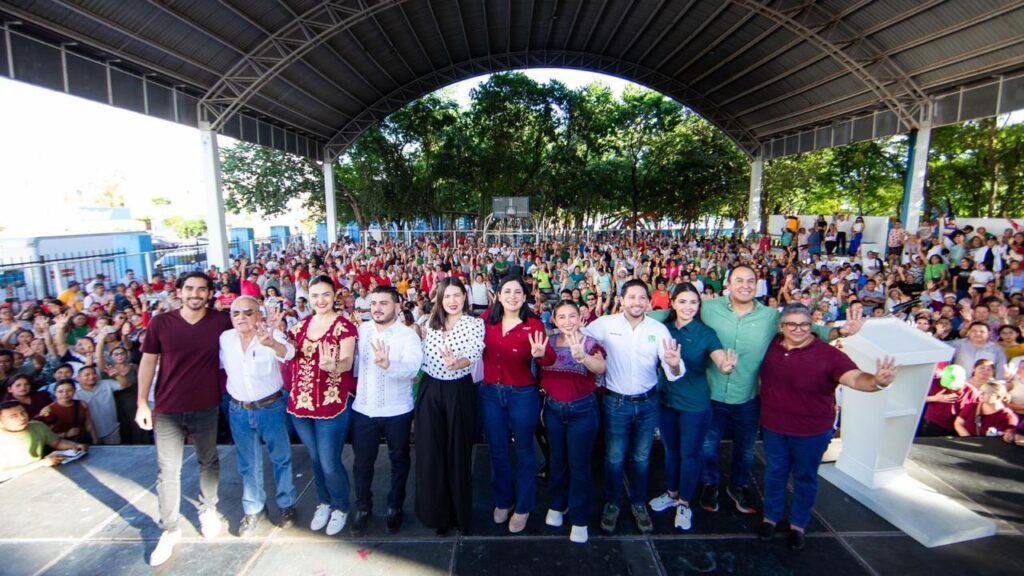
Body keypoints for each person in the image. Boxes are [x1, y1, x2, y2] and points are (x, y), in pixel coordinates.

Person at [697, 265, 862, 517]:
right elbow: (674, 312)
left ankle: (738, 486)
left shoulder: (770, 316)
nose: (745, 285)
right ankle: (710, 483)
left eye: (750, 281)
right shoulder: (708, 308)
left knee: (746, 449)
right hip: (711, 393)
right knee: (708, 446)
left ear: (757, 284)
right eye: (739, 280)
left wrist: (839, 331)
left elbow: (805, 328)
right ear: (727, 283)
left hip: (748, 396)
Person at [757, 303, 897, 550]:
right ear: (781, 327)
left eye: (804, 324)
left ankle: (798, 524)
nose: (798, 329)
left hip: (811, 432)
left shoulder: (828, 354)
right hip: (774, 427)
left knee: (805, 477)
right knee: (775, 473)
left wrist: (877, 381)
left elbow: (853, 377)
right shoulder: (770, 345)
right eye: (792, 324)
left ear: (812, 326)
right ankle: (771, 517)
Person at [135, 272, 233, 567]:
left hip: (206, 405)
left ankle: (208, 510)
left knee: (209, 461)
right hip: (167, 408)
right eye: (189, 288)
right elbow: (148, 362)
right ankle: (170, 528)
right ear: (178, 292)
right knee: (168, 470)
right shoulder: (161, 324)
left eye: (201, 289)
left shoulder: (221, 322)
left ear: (209, 294)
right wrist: (142, 402)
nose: (195, 293)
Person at [584, 278, 685, 534]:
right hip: (616, 403)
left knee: (641, 458)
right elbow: (579, 335)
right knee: (614, 458)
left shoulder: (658, 329)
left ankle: (639, 503)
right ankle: (612, 503)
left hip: (649, 403)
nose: (637, 302)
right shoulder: (606, 325)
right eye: (631, 297)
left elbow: (674, 369)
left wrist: (673, 363)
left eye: (642, 298)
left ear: (649, 302)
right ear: (621, 300)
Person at [648, 284, 737, 532]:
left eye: (693, 303)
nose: (688, 307)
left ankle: (684, 502)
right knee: (671, 450)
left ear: (699, 306)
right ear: (673, 303)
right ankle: (672, 491)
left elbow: (719, 359)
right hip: (666, 400)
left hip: (694, 404)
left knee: (690, 454)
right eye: (683, 301)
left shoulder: (705, 333)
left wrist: (726, 366)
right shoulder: (662, 329)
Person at [283, 275, 358, 537]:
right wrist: (271, 340)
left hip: (332, 404)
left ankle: (340, 506)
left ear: (334, 295)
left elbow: (347, 361)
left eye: (325, 294)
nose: (320, 300)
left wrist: (333, 366)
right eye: (315, 295)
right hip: (301, 405)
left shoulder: (344, 327)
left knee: (329, 461)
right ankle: (324, 501)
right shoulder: (298, 328)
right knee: (315, 459)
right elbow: (286, 353)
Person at [480, 276, 556, 533]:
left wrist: (540, 354)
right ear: (498, 296)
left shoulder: (533, 324)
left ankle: (523, 506)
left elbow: (550, 359)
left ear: (525, 298)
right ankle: (503, 500)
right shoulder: (486, 322)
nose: (512, 296)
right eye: (507, 292)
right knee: (497, 450)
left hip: (523, 394)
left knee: (524, 451)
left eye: (518, 292)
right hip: (491, 394)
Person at [220, 296, 297, 537]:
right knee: (247, 463)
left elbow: (290, 354)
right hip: (239, 409)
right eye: (236, 313)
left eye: (247, 312)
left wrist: (272, 343)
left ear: (258, 315)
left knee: (281, 458)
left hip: (271, 408)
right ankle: (253, 509)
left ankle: (286, 505)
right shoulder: (225, 339)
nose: (241, 318)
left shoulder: (269, 334)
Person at [349, 286, 423, 535]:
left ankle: (395, 505)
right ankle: (363, 505)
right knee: (362, 462)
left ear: (397, 306)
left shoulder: (408, 335)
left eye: (383, 303)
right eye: (374, 303)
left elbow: (413, 369)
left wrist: (389, 364)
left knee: (399, 460)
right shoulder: (363, 330)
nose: (377, 308)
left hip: (397, 410)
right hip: (364, 408)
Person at [414, 277, 484, 535]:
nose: (452, 301)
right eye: (447, 297)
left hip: (459, 391)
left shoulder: (474, 324)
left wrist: (458, 363)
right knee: (431, 452)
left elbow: (474, 352)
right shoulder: (426, 324)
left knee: (457, 452)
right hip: (430, 390)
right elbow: (415, 357)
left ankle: (459, 514)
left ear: (465, 297)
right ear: (439, 300)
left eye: (457, 295)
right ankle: (437, 515)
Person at [538, 300, 606, 544]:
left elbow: (600, 367)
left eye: (572, 316)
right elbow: (540, 365)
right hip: (554, 410)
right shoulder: (547, 343)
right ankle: (557, 505)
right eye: (562, 317)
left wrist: (583, 357)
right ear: (554, 320)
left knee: (579, 466)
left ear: (580, 318)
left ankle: (579, 517)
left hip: (582, 411)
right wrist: (537, 354)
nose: (567, 321)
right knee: (557, 461)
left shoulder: (589, 343)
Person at [0, 399, 88, 482]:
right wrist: (41, 463)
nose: (22, 417)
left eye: (23, 412)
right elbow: (2, 475)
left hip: (39, 476)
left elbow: (56, 442)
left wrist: (74, 445)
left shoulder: (37, 426)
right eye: (13, 416)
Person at [74, 364, 131, 444]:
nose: (91, 376)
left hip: (111, 429)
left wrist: (116, 375)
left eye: (94, 373)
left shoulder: (106, 384)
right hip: (90, 433)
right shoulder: (74, 392)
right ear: (78, 378)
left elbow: (125, 385)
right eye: (87, 375)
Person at [37, 379, 97, 443]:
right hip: (61, 445)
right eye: (60, 391)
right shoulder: (47, 410)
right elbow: (44, 435)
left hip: (83, 441)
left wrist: (95, 440)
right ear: (55, 393)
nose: (65, 394)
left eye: (69, 390)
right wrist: (66, 434)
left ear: (74, 391)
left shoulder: (82, 404)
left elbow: (89, 424)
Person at [954, 380, 1019, 437]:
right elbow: (958, 423)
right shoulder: (972, 406)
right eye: (980, 391)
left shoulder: (1008, 416)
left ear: (998, 397)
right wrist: (969, 439)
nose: (980, 394)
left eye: (985, 392)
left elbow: (1007, 436)